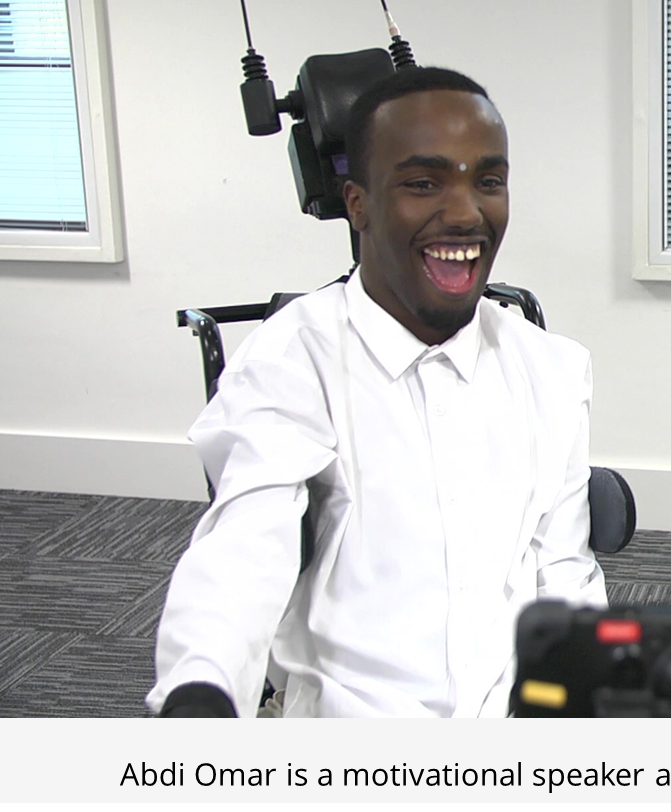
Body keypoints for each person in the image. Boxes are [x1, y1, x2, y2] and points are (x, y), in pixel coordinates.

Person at [148, 66, 607, 718]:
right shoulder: (293, 362)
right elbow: (245, 551)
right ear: (357, 203)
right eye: (423, 183)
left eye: (488, 181)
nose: (465, 213)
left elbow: (563, 572)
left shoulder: (551, 369)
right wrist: (201, 690)